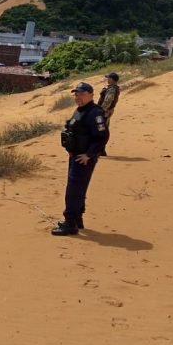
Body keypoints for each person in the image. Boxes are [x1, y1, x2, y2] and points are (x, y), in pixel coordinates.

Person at [52, 82, 109, 236]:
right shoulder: (81, 110)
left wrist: (89, 154)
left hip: (83, 159)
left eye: (82, 94)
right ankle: (77, 218)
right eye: (76, 94)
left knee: (74, 191)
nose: (78, 97)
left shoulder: (95, 113)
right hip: (75, 156)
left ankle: (70, 223)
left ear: (91, 95)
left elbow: (102, 136)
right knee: (77, 189)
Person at [97, 72, 120, 157]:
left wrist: (100, 111)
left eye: (108, 78)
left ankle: (100, 150)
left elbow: (107, 101)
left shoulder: (112, 89)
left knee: (101, 130)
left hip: (104, 113)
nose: (107, 79)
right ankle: (101, 150)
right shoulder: (111, 88)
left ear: (112, 79)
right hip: (106, 112)